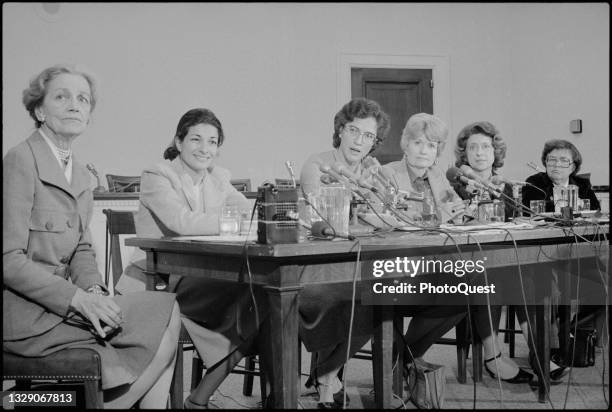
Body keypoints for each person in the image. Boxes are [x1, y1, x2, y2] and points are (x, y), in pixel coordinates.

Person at [3, 64, 181, 409]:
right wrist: (79, 300)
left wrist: (96, 291)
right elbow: (8, 259)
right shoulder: (20, 160)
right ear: (39, 110)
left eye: (83, 99)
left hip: (63, 306)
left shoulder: (81, 173)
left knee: (165, 309)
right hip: (25, 314)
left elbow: (81, 248)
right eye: (62, 96)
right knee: (158, 325)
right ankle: (34, 403)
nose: (75, 105)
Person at [117, 108, 263, 409]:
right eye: (196, 139)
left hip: (199, 277)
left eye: (212, 141)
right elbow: (181, 222)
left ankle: (200, 396)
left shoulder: (218, 178)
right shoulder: (158, 175)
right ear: (179, 141)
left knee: (263, 298)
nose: (204, 148)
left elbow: (249, 215)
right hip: (155, 283)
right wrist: (231, 220)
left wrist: (236, 217)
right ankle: (199, 398)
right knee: (257, 299)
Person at [298, 97, 390, 408]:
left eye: (368, 136)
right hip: (314, 267)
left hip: (357, 263)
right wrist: (362, 195)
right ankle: (327, 377)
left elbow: (386, 218)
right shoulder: (318, 163)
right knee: (349, 297)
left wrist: (377, 192)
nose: (359, 140)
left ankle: (326, 374)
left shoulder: (372, 170)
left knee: (381, 296)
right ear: (340, 130)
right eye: (354, 130)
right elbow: (323, 218)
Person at [381, 113, 469, 369]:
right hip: (398, 263)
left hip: (436, 262)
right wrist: (443, 214)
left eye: (431, 145)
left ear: (437, 151)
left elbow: (455, 210)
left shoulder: (438, 176)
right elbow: (397, 219)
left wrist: (460, 214)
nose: (423, 151)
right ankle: (404, 359)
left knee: (468, 290)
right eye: (418, 142)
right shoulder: (388, 174)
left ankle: (404, 356)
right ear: (406, 144)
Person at [451, 121, 533, 383]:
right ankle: (492, 355)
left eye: (486, 146)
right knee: (491, 278)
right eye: (472, 147)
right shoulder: (456, 183)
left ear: (495, 151)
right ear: (464, 153)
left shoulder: (506, 187)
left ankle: (536, 350)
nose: (479, 152)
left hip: (500, 258)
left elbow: (512, 224)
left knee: (528, 272)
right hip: (465, 262)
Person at [522, 139, 602, 379]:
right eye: (551, 160)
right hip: (544, 253)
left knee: (603, 286)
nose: (556, 165)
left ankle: (570, 331)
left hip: (578, 252)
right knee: (549, 290)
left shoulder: (583, 185)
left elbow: (595, 214)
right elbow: (529, 213)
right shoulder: (535, 183)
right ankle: (552, 342)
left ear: (573, 166)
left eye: (563, 160)